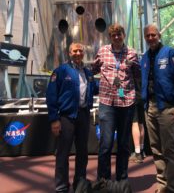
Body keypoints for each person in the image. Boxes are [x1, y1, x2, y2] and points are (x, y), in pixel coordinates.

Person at [141, 24, 174, 193]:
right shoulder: (144, 58)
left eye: (153, 35)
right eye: (147, 36)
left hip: (167, 108)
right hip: (150, 108)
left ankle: (173, 188)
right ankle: (162, 185)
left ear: (159, 35)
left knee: (169, 149)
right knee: (155, 149)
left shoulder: (170, 53)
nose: (150, 38)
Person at [92, 23, 141, 185]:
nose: (117, 37)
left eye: (119, 34)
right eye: (114, 35)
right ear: (110, 37)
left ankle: (122, 178)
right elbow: (93, 69)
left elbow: (138, 75)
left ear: (123, 35)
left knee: (124, 144)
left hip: (126, 102)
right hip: (107, 102)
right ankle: (103, 179)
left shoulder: (132, 53)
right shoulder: (103, 51)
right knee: (105, 144)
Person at [46, 42, 97, 193]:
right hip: (66, 117)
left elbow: (94, 89)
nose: (78, 53)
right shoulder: (61, 71)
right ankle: (62, 187)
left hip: (83, 115)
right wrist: (54, 119)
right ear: (69, 53)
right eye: (75, 51)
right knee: (63, 153)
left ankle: (79, 184)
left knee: (82, 152)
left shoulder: (88, 73)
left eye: (80, 51)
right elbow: (51, 95)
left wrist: (113, 83)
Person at [129, 93, 146, 163]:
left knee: (134, 123)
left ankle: (137, 154)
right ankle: (141, 151)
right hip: (142, 97)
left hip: (133, 97)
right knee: (141, 124)